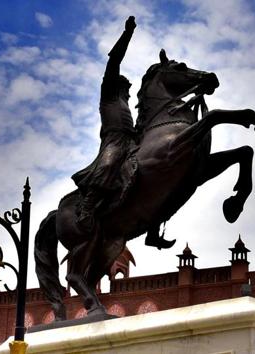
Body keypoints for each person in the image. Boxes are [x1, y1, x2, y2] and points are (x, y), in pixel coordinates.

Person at [72, 16, 175, 249]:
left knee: (155, 168)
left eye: (129, 91)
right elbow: (115, 60)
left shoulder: (126, 104)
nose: (128, 93)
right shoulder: (108, 94)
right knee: (110, 163)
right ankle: (88, 207)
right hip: (114, 140)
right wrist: (127, 33)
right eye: (125, 87)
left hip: (132, 140)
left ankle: (153, 229)